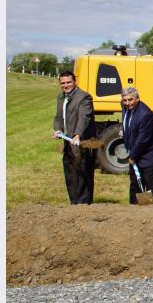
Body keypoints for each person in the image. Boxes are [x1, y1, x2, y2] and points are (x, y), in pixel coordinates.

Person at [53, 70, 97, 204]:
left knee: (83, 174)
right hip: (68, 142)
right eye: (63, 83)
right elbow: (59, 117)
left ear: (75, 82)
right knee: (70, 174)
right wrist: (58, 129)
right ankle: (74, 203)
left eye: (68, 82)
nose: (66, 85)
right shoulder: (61, 97)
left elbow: (85, 117)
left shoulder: (84, 97)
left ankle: (84, 205)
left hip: (82, 142)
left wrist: (78, 134)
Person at [121, 87, 153, 204]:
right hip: (135, 151)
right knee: (135, 183)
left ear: (138, 99)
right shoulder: (126, 107)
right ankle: (134, 208)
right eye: (125, 100)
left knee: (149, 184)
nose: (127, 103)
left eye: (130, 100)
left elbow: (143, 139)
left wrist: (133, 156)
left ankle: (152, 210)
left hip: (149, 154)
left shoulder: (144, 114)